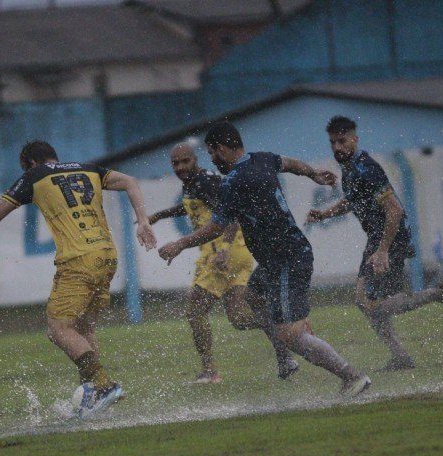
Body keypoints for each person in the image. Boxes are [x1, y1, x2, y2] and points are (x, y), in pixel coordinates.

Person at [159, 122, 371, 397]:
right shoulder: (262, 159)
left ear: (222, 148)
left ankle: (351, 376)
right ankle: (286, 356)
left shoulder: (234, 182)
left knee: (290, 336)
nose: (212, 160)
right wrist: (314, 174)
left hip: (286, 259)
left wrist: (179, 244)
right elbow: (291, 163)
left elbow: (215, 228)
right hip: (278, 258)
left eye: (212, 153)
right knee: (253, 297)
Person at [0, 140, 156, 417]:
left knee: (58, 329)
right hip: (107, 255)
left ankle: (104, 386)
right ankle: (91, 399)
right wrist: (143, 220)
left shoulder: (35, 176)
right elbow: (131, 181)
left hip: (78, 260)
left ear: (29, 163)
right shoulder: (89, 170)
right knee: (84, 330)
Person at [306, 116, 443, 371]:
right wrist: (324, 214)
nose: (337, 147)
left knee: (372, 303)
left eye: (342, 141)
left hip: (389, 240)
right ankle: (401, 356)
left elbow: (395, 211)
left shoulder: (366, 168)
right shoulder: (350, 168)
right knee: (366, 302)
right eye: (333, 142)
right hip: (377, 239)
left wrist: (382, 251)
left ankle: (437, 294)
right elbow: (352, 201)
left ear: (355, 140)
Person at [148, 142, 299, 383]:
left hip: (220, 255)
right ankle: (285, 349)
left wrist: (225, 249)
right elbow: (190, 205)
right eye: (175, 163)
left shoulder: (206, 181)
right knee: (239, 318)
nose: (180, 167)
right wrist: (159, 215)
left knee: (195, 311)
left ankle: (209, 371)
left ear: (195, 159)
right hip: (236, 253)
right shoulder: (195, 183)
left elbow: (232, 212)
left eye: (185, 161)